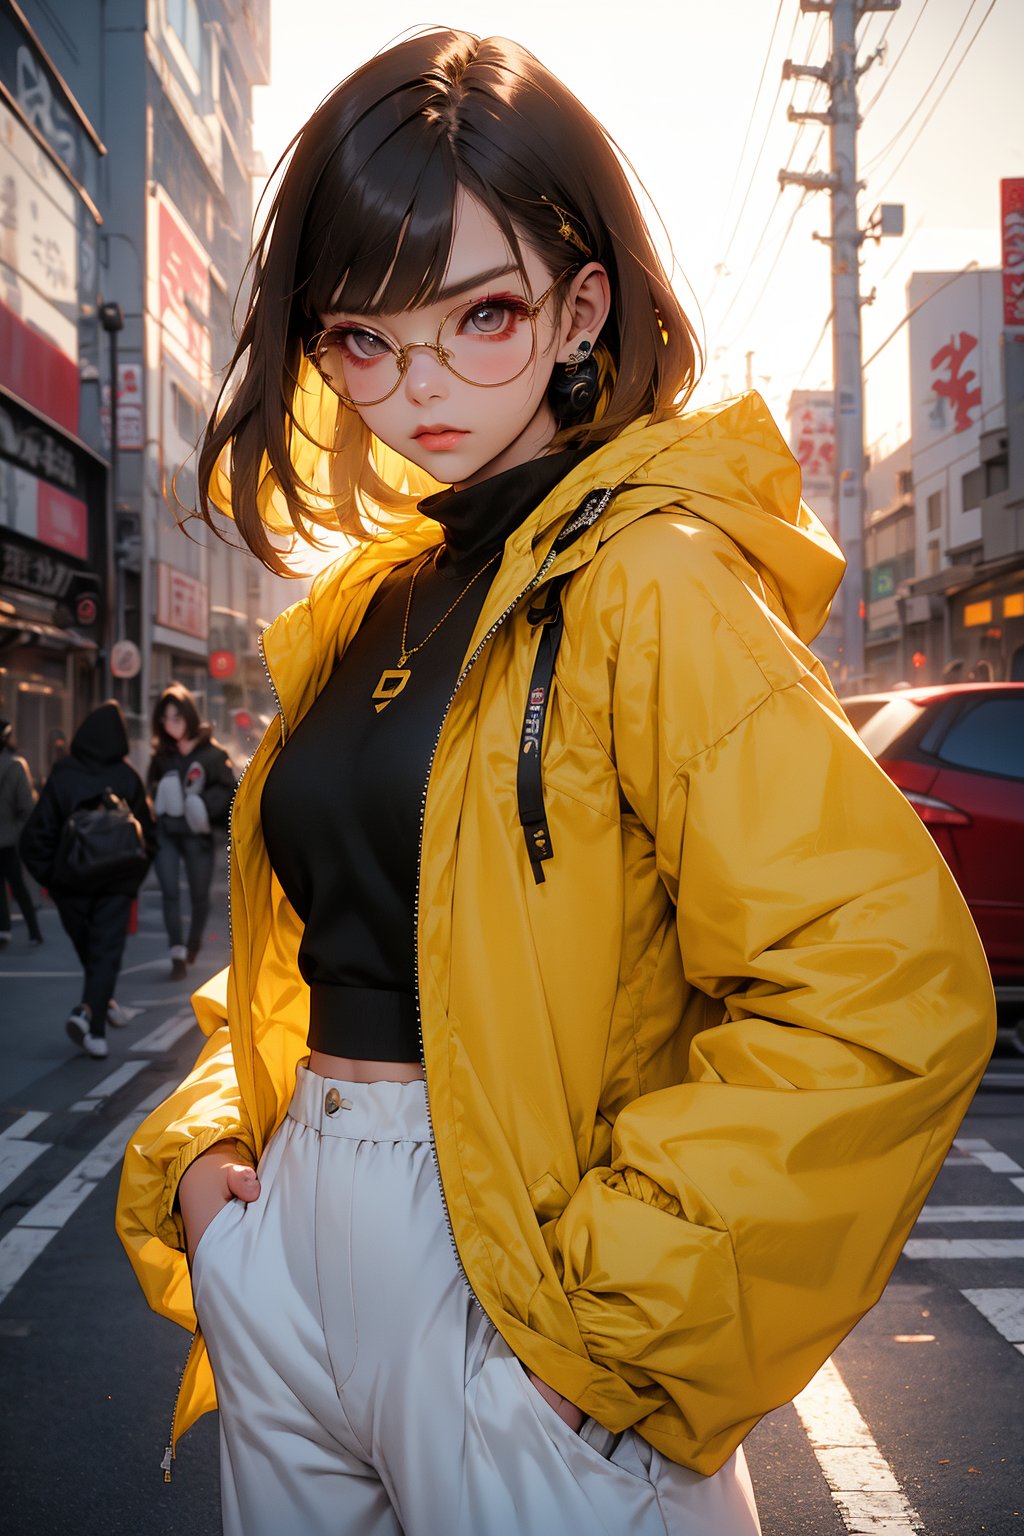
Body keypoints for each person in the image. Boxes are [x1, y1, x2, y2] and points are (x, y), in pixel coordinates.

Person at [116, 30, 995, 1536]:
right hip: (291, 1260)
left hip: (527, 1298)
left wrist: (619, 1329)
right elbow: (291, 973)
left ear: (584, 304)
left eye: (483, 314)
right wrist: (208, 1164)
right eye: (364, 341)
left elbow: (881, 989)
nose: (422, 386)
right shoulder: (365, 602)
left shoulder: (653, 580)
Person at [20, 700, 155, 1058]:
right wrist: (132, 878)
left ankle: (93, 1013)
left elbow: (35, 837)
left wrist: (54, 878)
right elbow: (149, 838)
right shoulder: (128, 779)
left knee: (92, 955)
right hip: (116, 885)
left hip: (71, 887)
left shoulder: (63, 774)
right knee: (105, 956)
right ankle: (92, 1018)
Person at [147, 684, 235, 981]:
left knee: (199, 895)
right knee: (169, 892)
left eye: (177, 717)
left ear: (189, 716)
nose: (172, 724)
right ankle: (177, 954)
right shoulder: (161, 756)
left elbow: (229, 789)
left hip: (199, 834)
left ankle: (193, 943)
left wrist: (201, 805)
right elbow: (152, 788)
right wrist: (159, 798)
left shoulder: (212, 753)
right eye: (166, 718)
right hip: (167, 833)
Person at [0, 720, 43, 947]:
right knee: (18, 886)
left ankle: (4, 931)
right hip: (8, 838)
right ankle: (34, 931)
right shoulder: (16, 766)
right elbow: (27, 805)